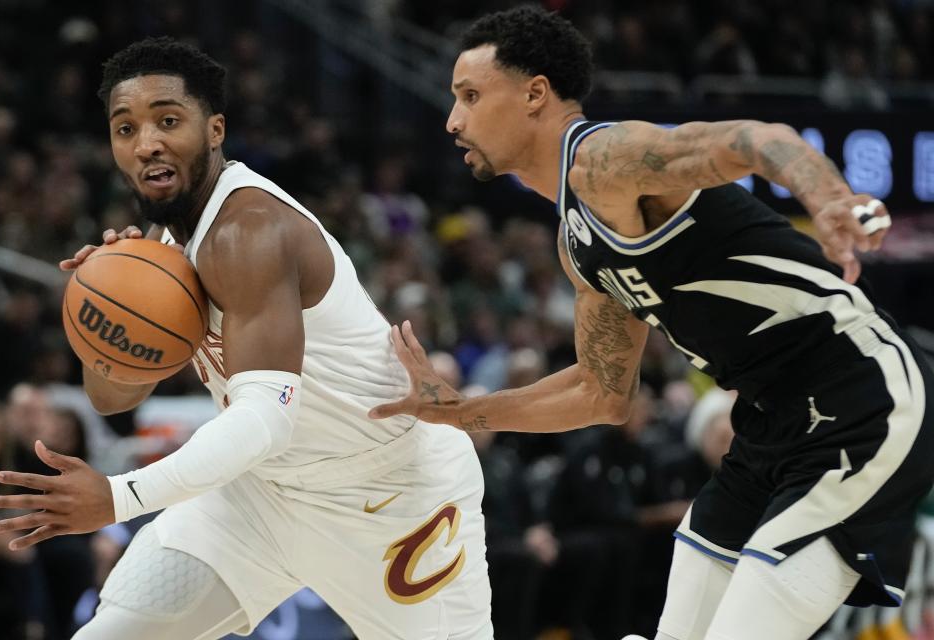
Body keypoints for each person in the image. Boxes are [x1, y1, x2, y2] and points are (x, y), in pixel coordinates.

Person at [368, 7, 934, 640]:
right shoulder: (576, 239)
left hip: (860, 393)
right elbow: (601, 393)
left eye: (470, 96)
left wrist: (828, 198)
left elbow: (752, 138)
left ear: (534, 94)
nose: (453, 120)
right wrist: (462, 413)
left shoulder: (607, 160)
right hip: (769, 427)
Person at [0, 37, 492, 640]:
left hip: (389, 498)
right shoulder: (162, 245)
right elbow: (111, 398)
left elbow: (264, 420)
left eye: (168, 120)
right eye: (125, 129)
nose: (146, 142)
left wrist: (119, 498)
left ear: (215, 129)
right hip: (262, 497)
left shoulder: (249, 230)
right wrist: (110, 320)